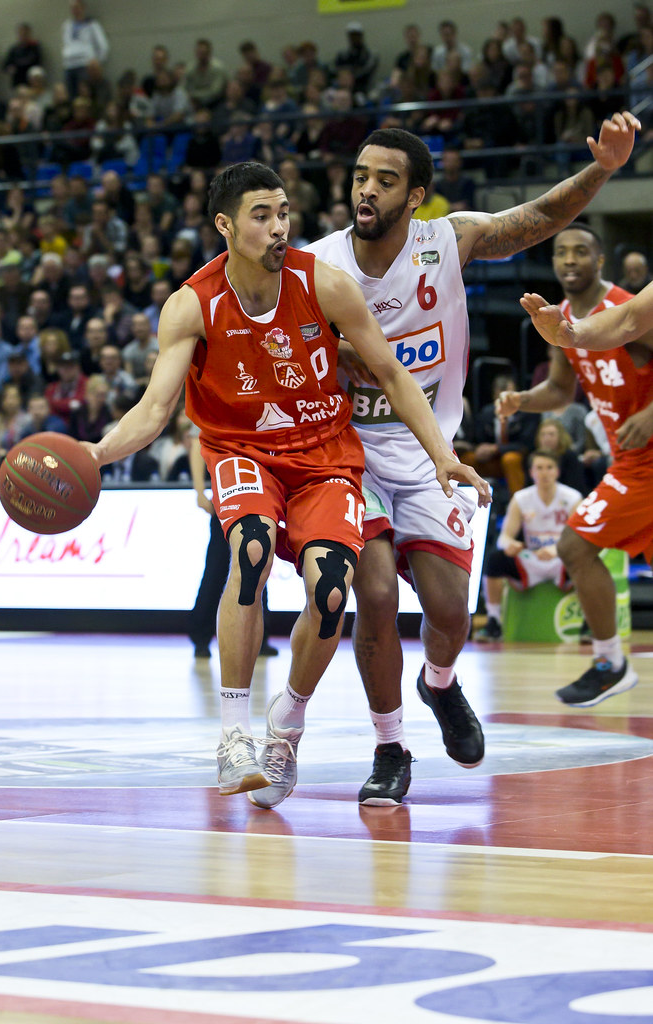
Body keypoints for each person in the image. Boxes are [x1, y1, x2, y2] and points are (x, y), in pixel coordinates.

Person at [81, 160, 489, 810]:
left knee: (331, 588)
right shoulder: (192, 303)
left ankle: (285, 728)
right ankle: (233, 736)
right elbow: (155, 409)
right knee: (247, 549)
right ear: (224, 224)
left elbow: (389, 372)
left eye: (283, 214)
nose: (278, 228)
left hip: (325, 454)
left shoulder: (322, 284)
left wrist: (441, 454)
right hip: (241, 450)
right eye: (261, 216)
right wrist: (97, 451)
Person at [305, 114, 639, 805]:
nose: (365, 190)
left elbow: (543, 214)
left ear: (415, 195)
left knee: (450, 612)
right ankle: (388, 746)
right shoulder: (317, 265)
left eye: (384, 180)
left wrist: (604, 168)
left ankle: (439, 682)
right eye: (360, 176)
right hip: (349, 457)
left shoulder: (447, 242)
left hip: (435, 457)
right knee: (372, 597)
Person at [497, 221, 651, 707]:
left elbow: (628, 330)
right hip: (627, 460)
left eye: (580, 251)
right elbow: (562, 390)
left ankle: (609, 663)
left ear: (599, 260)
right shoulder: (558, 316)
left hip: (645, 460)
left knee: (574, 543)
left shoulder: (627, 307)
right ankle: (610, 663)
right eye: (561, 251)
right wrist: (521, 400)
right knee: (577, 546)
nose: (569, 260)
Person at [187, 431, 277, 659]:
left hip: (257, 498)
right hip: (227, 497)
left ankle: (260, 638)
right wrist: (199, 491)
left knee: (256, 565)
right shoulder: (216, 407)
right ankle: (201, 638)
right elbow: (198, 447)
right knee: (216, 570)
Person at [475, 450, 582, 640]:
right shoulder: (521, 498)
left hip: (562, 557)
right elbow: (504, 537)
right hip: (532, 557)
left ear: (557, 471)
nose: (544, 473)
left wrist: (557, 549)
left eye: (549, 468)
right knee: (495, 559)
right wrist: (511, 544)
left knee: (588, 561)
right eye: (539, 468)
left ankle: (588, 624)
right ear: (531, 472)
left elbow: (579, 537)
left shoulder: (572, 497)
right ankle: (493, 621)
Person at [61, 0, 109, 100]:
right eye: (72, 8)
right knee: (71, 97)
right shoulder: (67, 25)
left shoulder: (92, 24)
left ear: (83, 8)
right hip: (69, 65)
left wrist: (97, 62)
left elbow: (103, 46)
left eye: (77, 7)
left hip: (84, 65)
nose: (75, 10)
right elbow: (66, 44)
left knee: (85, 95)